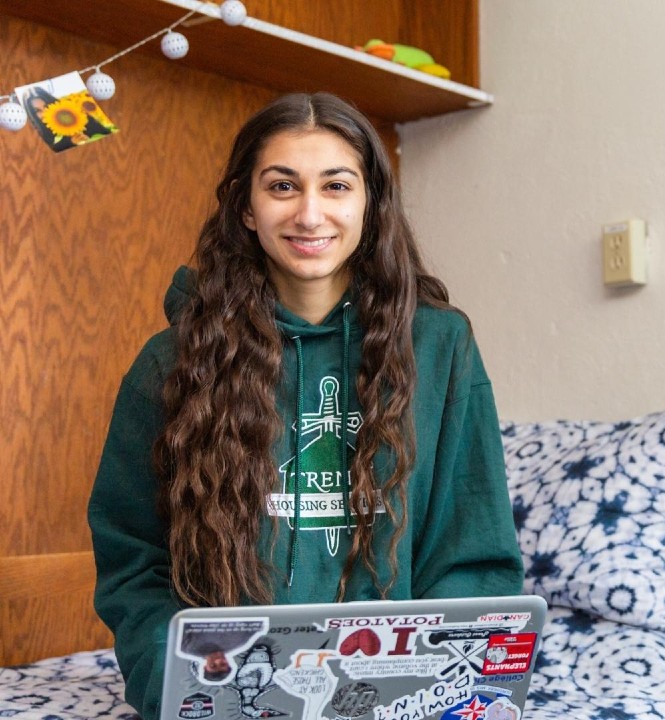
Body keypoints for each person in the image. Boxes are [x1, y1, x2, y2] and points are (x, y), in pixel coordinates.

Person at [87, 92, 524, 720]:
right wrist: (179, 686)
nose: (310, 213)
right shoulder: (171, 360)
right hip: (229, 695)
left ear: (370, 204)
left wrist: (436, 693)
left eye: (337, 186)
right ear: (245, 206)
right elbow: (135, 562)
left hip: (401, 700)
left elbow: (474, 555)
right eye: (283, 186)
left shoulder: (441, 347)